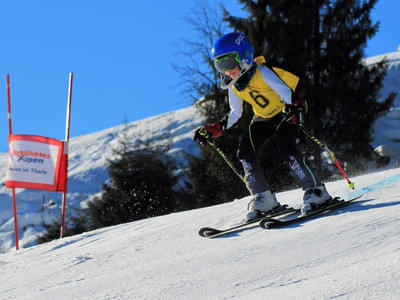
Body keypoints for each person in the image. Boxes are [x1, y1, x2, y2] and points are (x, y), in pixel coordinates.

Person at [194, 32, 332, 220]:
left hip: (284, 113)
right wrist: (214, 129)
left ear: (243, 57)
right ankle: (263, 197)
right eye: (220, 65)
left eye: (227, 63)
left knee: (287, 148)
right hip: (263, 118)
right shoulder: (234, 86)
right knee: (245, 150)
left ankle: (316, 190)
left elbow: (287, 91)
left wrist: (295, 109)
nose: (226, 71)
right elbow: (236, 113)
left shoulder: (262, 72)